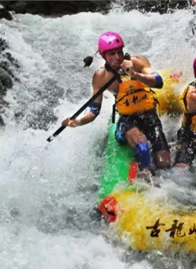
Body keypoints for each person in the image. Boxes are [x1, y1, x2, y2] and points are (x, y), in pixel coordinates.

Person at [62, 31, 171, 175]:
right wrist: (78, 122)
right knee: (143, 149)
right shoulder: (101, 77)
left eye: (119, 52)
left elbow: (158, 82)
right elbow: (94, 110)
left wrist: (135, 74)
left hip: (148, 114)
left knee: (164, 163)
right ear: (103, 56)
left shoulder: (137, 62)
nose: (117, 57)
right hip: (128, 119)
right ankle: (147, 185)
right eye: (111, 54)